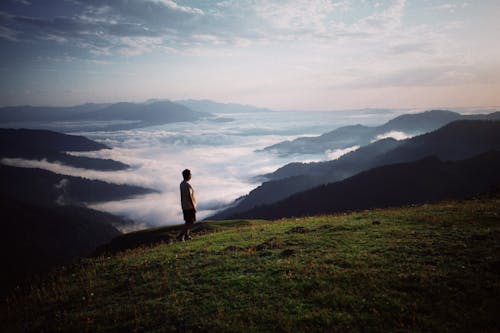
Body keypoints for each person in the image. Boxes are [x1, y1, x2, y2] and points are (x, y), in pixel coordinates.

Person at [178, 169, 197, 241]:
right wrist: (193, 206)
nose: (191, 175)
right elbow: (190, 196)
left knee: (187, 221)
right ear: (188, 175)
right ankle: (181, 235)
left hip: (185, 205)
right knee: (191, 222)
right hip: (189, 206)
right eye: (190, 174)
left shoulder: (181, 184)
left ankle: (187, 236)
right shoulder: (187, 185)